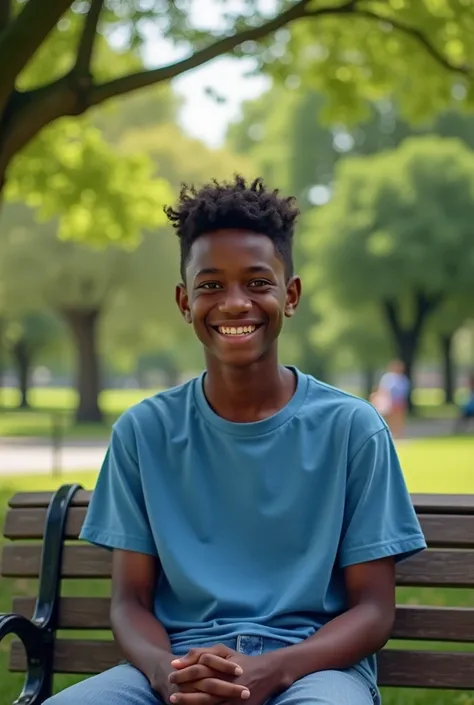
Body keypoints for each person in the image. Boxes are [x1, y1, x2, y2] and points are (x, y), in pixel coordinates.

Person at [46, 176, 426, 705]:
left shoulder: (352, 429)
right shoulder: (143, 432)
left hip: (312, 669)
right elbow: (130, 600)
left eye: (256, 282)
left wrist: (271, 669)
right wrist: (167, 672)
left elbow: (372, 610)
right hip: (179, 666)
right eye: (210, 286)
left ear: (289, 296)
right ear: (184, 302)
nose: (234, 303)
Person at [375, 361, 410, 439]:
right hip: (390, 400)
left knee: (399, 417)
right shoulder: (388, 377)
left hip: (399, 400)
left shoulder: (402, 378)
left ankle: (399, 433)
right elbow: (383, 389)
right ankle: (391, 433)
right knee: (390, 417)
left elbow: (405, 390)